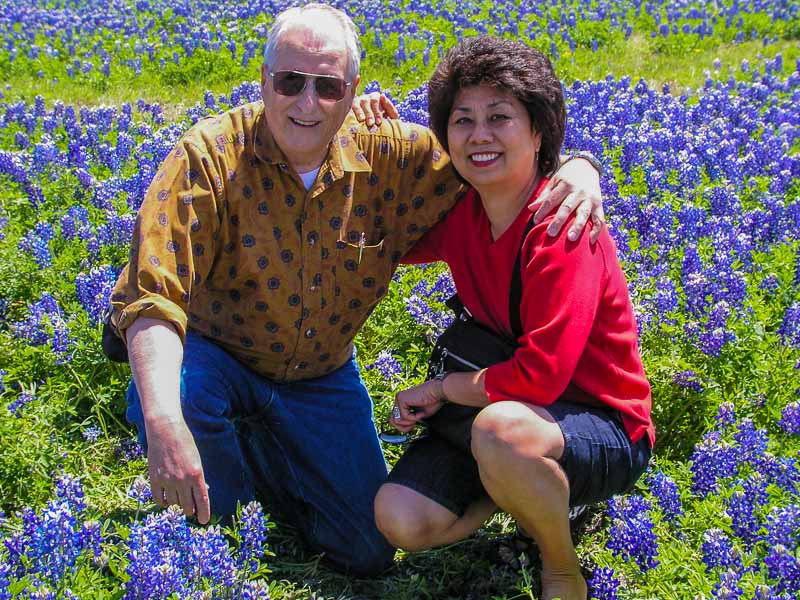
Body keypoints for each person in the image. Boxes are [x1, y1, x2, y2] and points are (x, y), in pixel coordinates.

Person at [108, 4, 606, 576]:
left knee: (367, 550)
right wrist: (165, 422)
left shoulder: (395, 157)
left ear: (352, 91)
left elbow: (496, 160)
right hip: (216, 354)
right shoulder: (208, 156)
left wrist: (574, 166)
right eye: (290, 81)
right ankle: (193, 456)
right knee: (208, 508)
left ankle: (261, 447)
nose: (306, 102)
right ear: (264, 80)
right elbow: (153, 296)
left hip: (319, 376)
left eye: (327, 86)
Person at [372, 36, 654, 599]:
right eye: (463, 120)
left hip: (599, 421)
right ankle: (528, 492)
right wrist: (361, 131)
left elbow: (543, 378)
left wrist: (445, 388)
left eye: (500, 117)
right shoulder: (464, 216)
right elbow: (379, 240)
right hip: (506, 412)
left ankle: (559, 564)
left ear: (538, 131)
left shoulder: (562, 229)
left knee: (501, 433)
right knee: (398, 515)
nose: (480, 135)